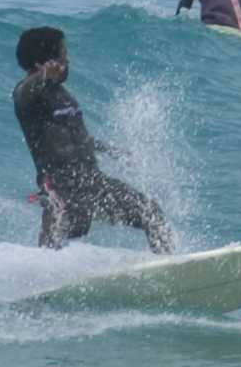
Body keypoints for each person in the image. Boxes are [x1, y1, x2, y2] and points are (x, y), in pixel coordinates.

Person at [11, 26, 176, 252]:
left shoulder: (63, 95)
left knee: (151, 212)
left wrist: (107, 148)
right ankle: (41, 271)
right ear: (45, 62)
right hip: (60, 186)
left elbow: (76, 138)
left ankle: (169, 265)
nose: (68, 60)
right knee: (58, 233)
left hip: (92, 182)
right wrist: (41, 77)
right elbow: (22, 93)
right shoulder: (28, 95)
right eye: (63, 54)